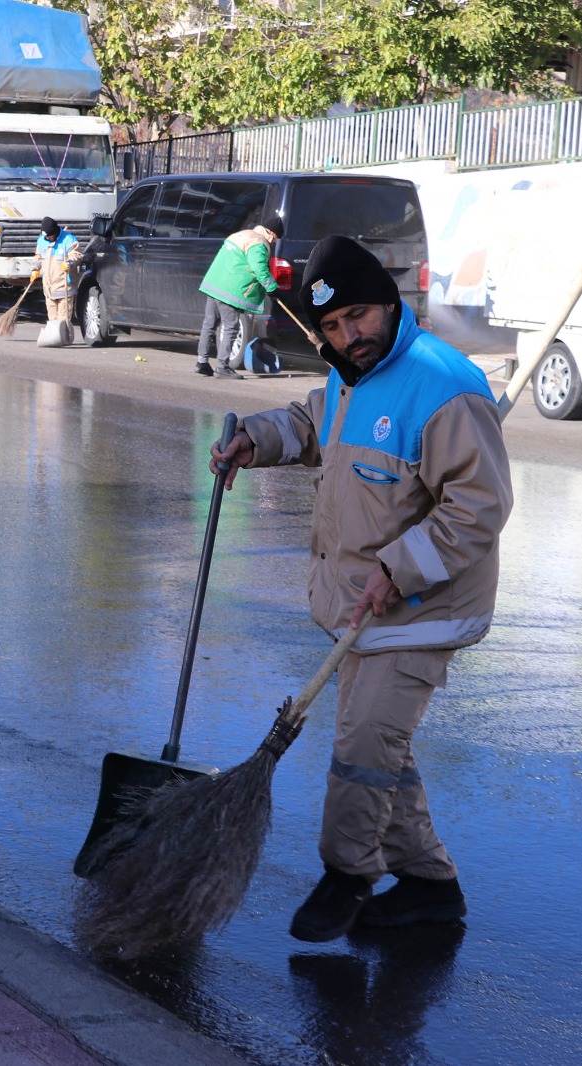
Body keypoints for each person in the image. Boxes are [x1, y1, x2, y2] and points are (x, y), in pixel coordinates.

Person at [210, 236, 513, 942]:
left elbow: (479, 509)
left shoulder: (447, 389)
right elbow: (315, 422)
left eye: (359, 316)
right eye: (333, 328)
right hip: (360, 609)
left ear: (389, 303)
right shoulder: (351, 374)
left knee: (362, 745)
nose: (350, 336)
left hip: (423, 609)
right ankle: (431, 886)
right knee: (384, 752)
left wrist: (397, 568)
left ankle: (347, 873)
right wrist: (257, 439)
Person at [196, 215, 284, 378]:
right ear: (271, 233)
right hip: (229, 290)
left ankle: (202, 361)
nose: (275, 242)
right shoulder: (259, 243)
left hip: (214, 283)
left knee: (210, 323)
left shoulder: (241, 234)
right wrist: (272, 288)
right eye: (276, 238)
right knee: (231, 326)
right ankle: (222, 367)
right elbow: (259, 269)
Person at [35, 216, 82, 341]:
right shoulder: (41, 241)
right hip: (49, 288)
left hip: (64, 287)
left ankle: (63, 338)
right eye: (46, 236)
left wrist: (70, 263)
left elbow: (77, 255)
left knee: (63, 317)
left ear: (55, 232)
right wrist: (35, 268)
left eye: (50, 236)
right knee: (52, 318)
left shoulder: (69, 240)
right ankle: (54, 338)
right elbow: (38, 257)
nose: (48, 238)